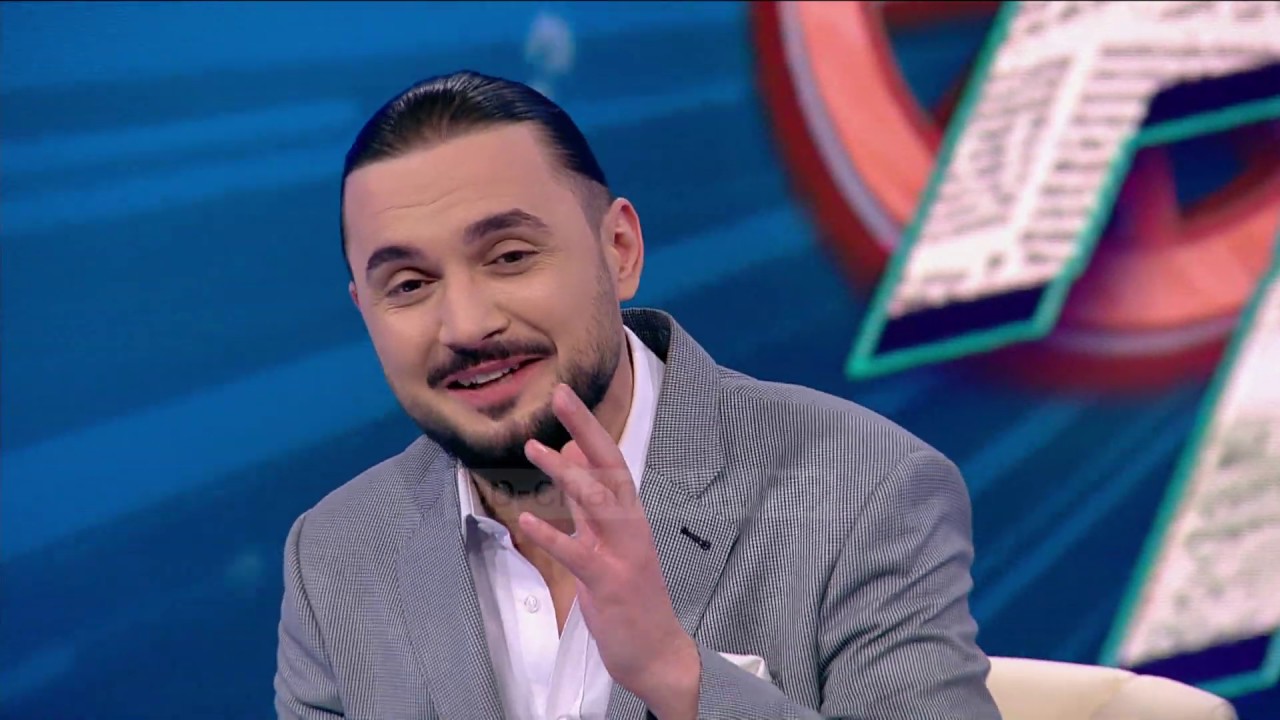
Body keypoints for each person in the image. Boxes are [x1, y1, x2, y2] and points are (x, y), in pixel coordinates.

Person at [274, 69, 1001, 720]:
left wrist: (676, 675)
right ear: (364, 311)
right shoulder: (336, 555)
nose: (466, 325)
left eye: (510, 257)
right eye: (408, 285)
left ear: (618, 251)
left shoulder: (863, 491)